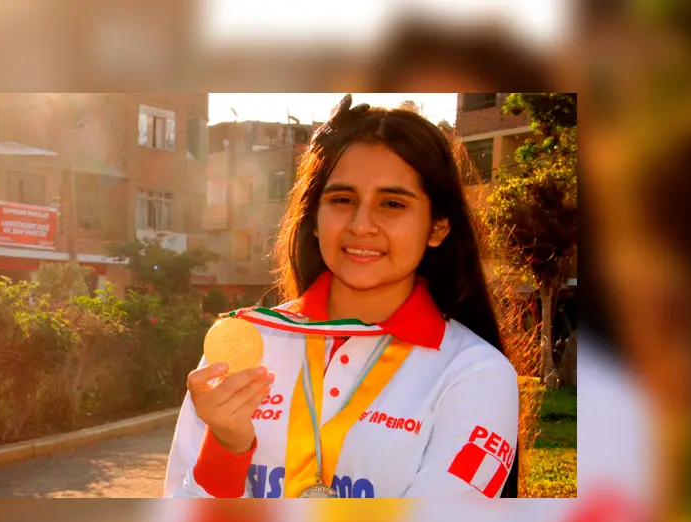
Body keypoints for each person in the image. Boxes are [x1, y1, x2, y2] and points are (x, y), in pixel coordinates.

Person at [164, 94, 519, 498]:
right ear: (313, 218)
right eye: (342, 200)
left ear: (437, 227)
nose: (361, 224)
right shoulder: (242, 345)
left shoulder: (475, 373)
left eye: (392, 203)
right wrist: (227, 449)